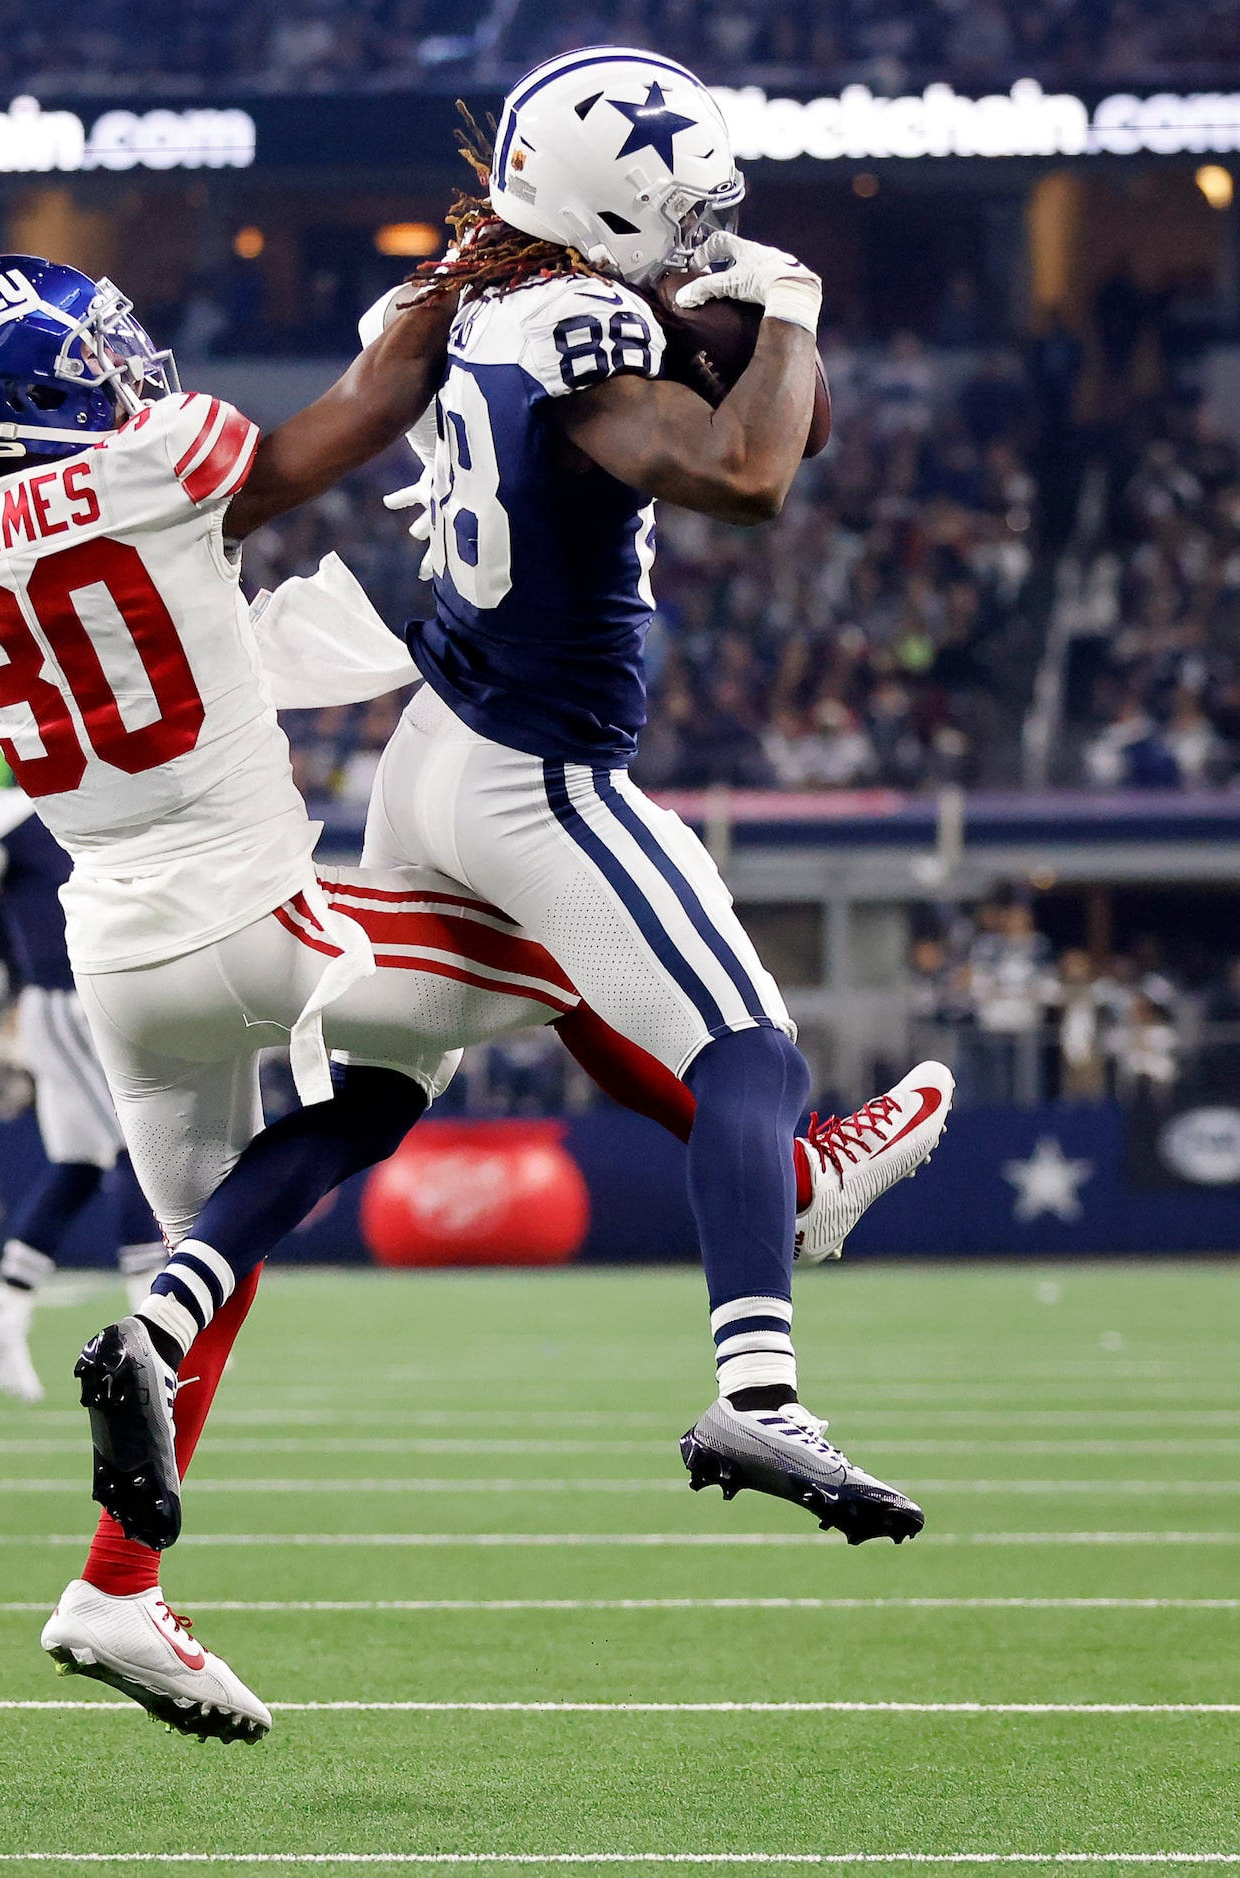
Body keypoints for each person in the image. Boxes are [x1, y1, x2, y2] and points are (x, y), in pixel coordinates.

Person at [0, 229, 942, 1742]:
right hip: (269, 925)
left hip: (116, 970)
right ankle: (795, 1173)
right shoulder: (156, 461)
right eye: (87, 358)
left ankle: (116, 1586)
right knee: (575, 950)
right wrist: (479, 268)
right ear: (31, 394)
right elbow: (371, 402)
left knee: (207, 1269)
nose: (123, 370)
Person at [357, 47, 951, 1537]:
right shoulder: (574, 326)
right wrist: (789, 312)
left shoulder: (461, 300)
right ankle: (760, 1391)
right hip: (532, 767)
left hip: (430, 737)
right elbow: (755, 473)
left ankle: (174, 1308)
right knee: (749, 1053)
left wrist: (722, 320)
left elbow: (763, 412)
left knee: (381, 1088)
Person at [0, 786, 169, 1402]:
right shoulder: (20, 816)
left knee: (76, 1168)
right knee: (137, 1151)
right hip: (71, 1004)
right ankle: (154, 1331)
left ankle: (4, 1311)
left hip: (109, 994)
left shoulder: (116, 795)